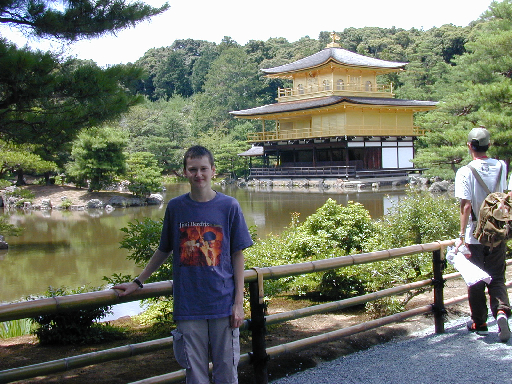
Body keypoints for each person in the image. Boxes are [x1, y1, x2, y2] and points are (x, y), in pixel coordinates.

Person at [114, 145, 253, 383]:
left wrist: (238, 303)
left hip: (223, 302)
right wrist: (138, 281)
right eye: (192, 169)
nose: (198, 174)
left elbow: (238, 254)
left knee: (227, 373)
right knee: (195, 375)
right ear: (184, 172)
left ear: (213, 171)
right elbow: (164, 249)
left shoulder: (229, 206)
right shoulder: (176, 207)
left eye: (203, 169)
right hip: (189, 305)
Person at [454, 127, 511, 342]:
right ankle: (502, 313)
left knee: (476, 280)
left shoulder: (465, 171)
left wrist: (460, 236)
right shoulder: (501, 166)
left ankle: (480, 322)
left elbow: (466, 205)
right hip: (497, 232)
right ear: (489, 145)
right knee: (497, 278)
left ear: (469, 145)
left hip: (474, 235)